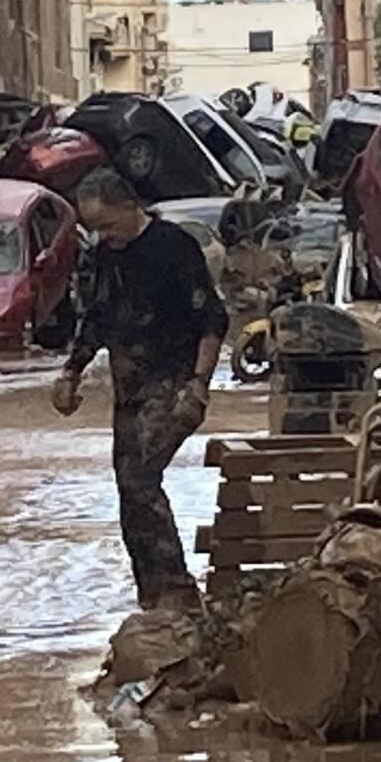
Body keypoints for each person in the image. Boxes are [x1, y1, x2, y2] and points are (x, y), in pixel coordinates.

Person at [51, 171, 228, 608]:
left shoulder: (173, 246)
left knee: (141, 478)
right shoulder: (104, 256)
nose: (105, 236)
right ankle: (150, 592)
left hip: (174, 382)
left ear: (131, 207)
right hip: (129, 385)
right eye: (96, 229)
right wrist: (71, 372)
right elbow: (95, 318)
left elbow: (212, 320)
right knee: (128, 487)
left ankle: (175, 588)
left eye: (109, 225)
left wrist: (199, 386)